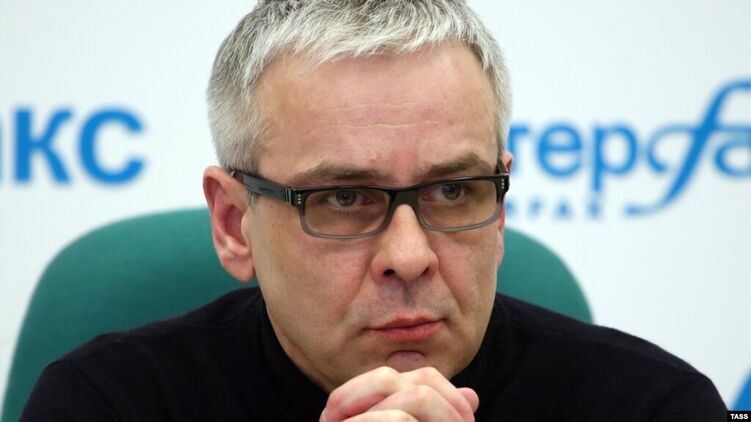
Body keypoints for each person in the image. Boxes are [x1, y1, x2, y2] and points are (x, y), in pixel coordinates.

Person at [21, 1, 726, 420]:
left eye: (454, 190)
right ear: (235, 225)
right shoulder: (107, 404)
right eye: (344, 199)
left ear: (500, 210)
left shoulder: (651, 406)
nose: (410, 257)